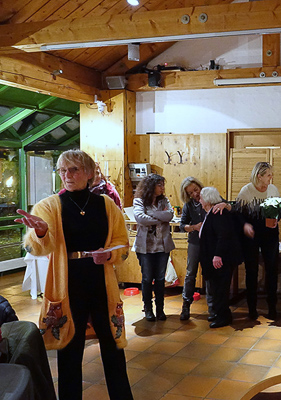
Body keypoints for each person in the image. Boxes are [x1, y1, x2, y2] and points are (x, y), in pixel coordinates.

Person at [16, 149, 133, 400]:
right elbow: (36, 249)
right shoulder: (49, 206)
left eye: (73, 169)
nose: (67, 175)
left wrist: (108, 256)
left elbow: (123, 246)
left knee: (113, 348)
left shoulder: (107, 205)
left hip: (102, 285)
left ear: (89, 173)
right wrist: (41, 232)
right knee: (69, 351)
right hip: (68, 286)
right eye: (62, 170)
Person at [234, 161, 281, 320]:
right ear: (259, 176)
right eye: (268, 175)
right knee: (252, 271)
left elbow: (280, 210)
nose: (271, 177)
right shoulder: (246, 191)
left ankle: (272, 307)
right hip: (252, 236)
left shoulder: (273, 190)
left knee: (272, 270)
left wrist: (277, 218)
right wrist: (245, 225)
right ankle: (252, 309)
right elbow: (238, 214)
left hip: (270, 235)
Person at [198, 187, 244, 328]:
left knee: (220, 289)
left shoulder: (218, 213)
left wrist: (218, 255)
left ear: (207, 200)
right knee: (216, 289)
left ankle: (223, 317)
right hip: (213, 258)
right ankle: (219, 314)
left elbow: (223, 235)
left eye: (201, 198)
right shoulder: (211, 213)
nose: (199, 201)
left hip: (220, 259)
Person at [132, 173, 175, 322]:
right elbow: (140, 218)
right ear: (151, 186)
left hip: (162, 246)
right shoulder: (139, 200)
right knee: (147, 278)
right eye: (159, 185)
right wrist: (159, 218)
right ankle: (148, 309)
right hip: (145, 247)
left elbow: (169, 215)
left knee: (160, 279)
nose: (162, 188)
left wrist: (152, 214)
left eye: (163, 185)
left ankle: (160, 309)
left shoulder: (164, 200)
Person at [178, 177, 210, 321]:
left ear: (200, 186)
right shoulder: (188, 205)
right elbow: (182, 225)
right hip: (195, 242)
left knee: (209, 274)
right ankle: (186, 306)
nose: (195, 194)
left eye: (196, 190)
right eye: (191, 193)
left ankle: (213, 307)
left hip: (209, 243)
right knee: (190, 274)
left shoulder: (211, 198)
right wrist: (193, 227)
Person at [58, 162, 122, 209]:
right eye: (93, 174)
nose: (96, 176)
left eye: (97, 173)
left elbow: (118, 209)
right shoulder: (71, 191)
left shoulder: (109, 190)